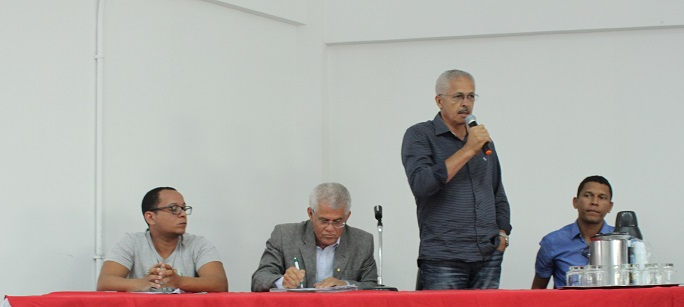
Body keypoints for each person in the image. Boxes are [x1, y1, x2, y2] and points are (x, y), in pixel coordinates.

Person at [401, 69, 511, 290]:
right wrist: (468, 150)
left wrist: (502, 234)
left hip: (487, 256)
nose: (466, 103)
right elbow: (422, 185)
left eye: (471, 96)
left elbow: (496, 192)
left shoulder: (482, 140)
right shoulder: (420, 135)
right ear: (439, 101)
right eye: (458, 96)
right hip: (444, 258)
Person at [97, 187, 228, 292]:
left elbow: (220, 283)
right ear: (150, 217)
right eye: (174, 209)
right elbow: (105, 282)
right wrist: (144, 283)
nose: (183, 214)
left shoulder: (198, 244)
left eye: (184, 208)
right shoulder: (131, 242)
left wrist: (179, 281)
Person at [251, 182, 378, 291]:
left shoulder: (362, 242)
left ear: (347, 216)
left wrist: (345, 284)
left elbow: (373, 286)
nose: (330, 228)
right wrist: (283, 282)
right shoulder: (284, 236)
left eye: (337, 222)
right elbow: (259, 279)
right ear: (310, 214)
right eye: (324, 221)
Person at [531, 175, 615, 289]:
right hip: (566, 301)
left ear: (610, 206)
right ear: (575, 202)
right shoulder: (552, 242)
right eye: (588, 195)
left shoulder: (623, 242)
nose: (594, 202)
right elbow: (538, 291)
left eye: (602, 197)